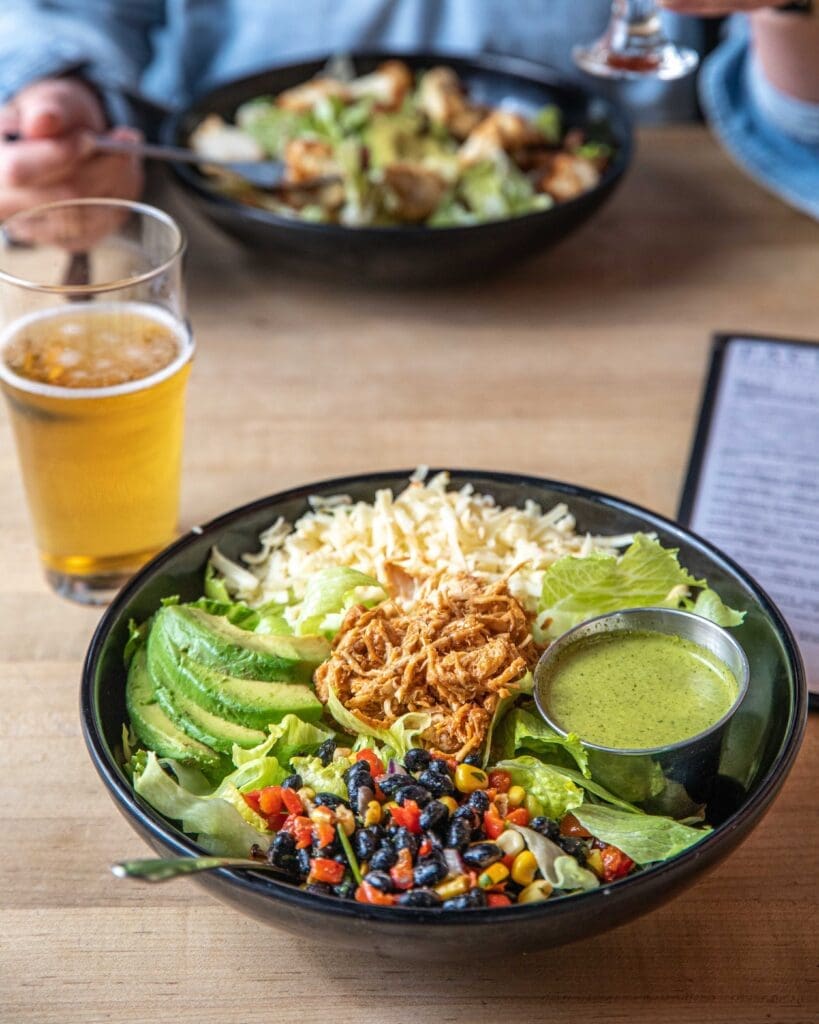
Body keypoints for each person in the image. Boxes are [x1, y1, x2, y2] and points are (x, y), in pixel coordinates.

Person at [0, 1, 815, 220]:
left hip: (649, 247)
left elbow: (801, 126)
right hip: (226, 279)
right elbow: (67, 14)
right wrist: (63, 99)